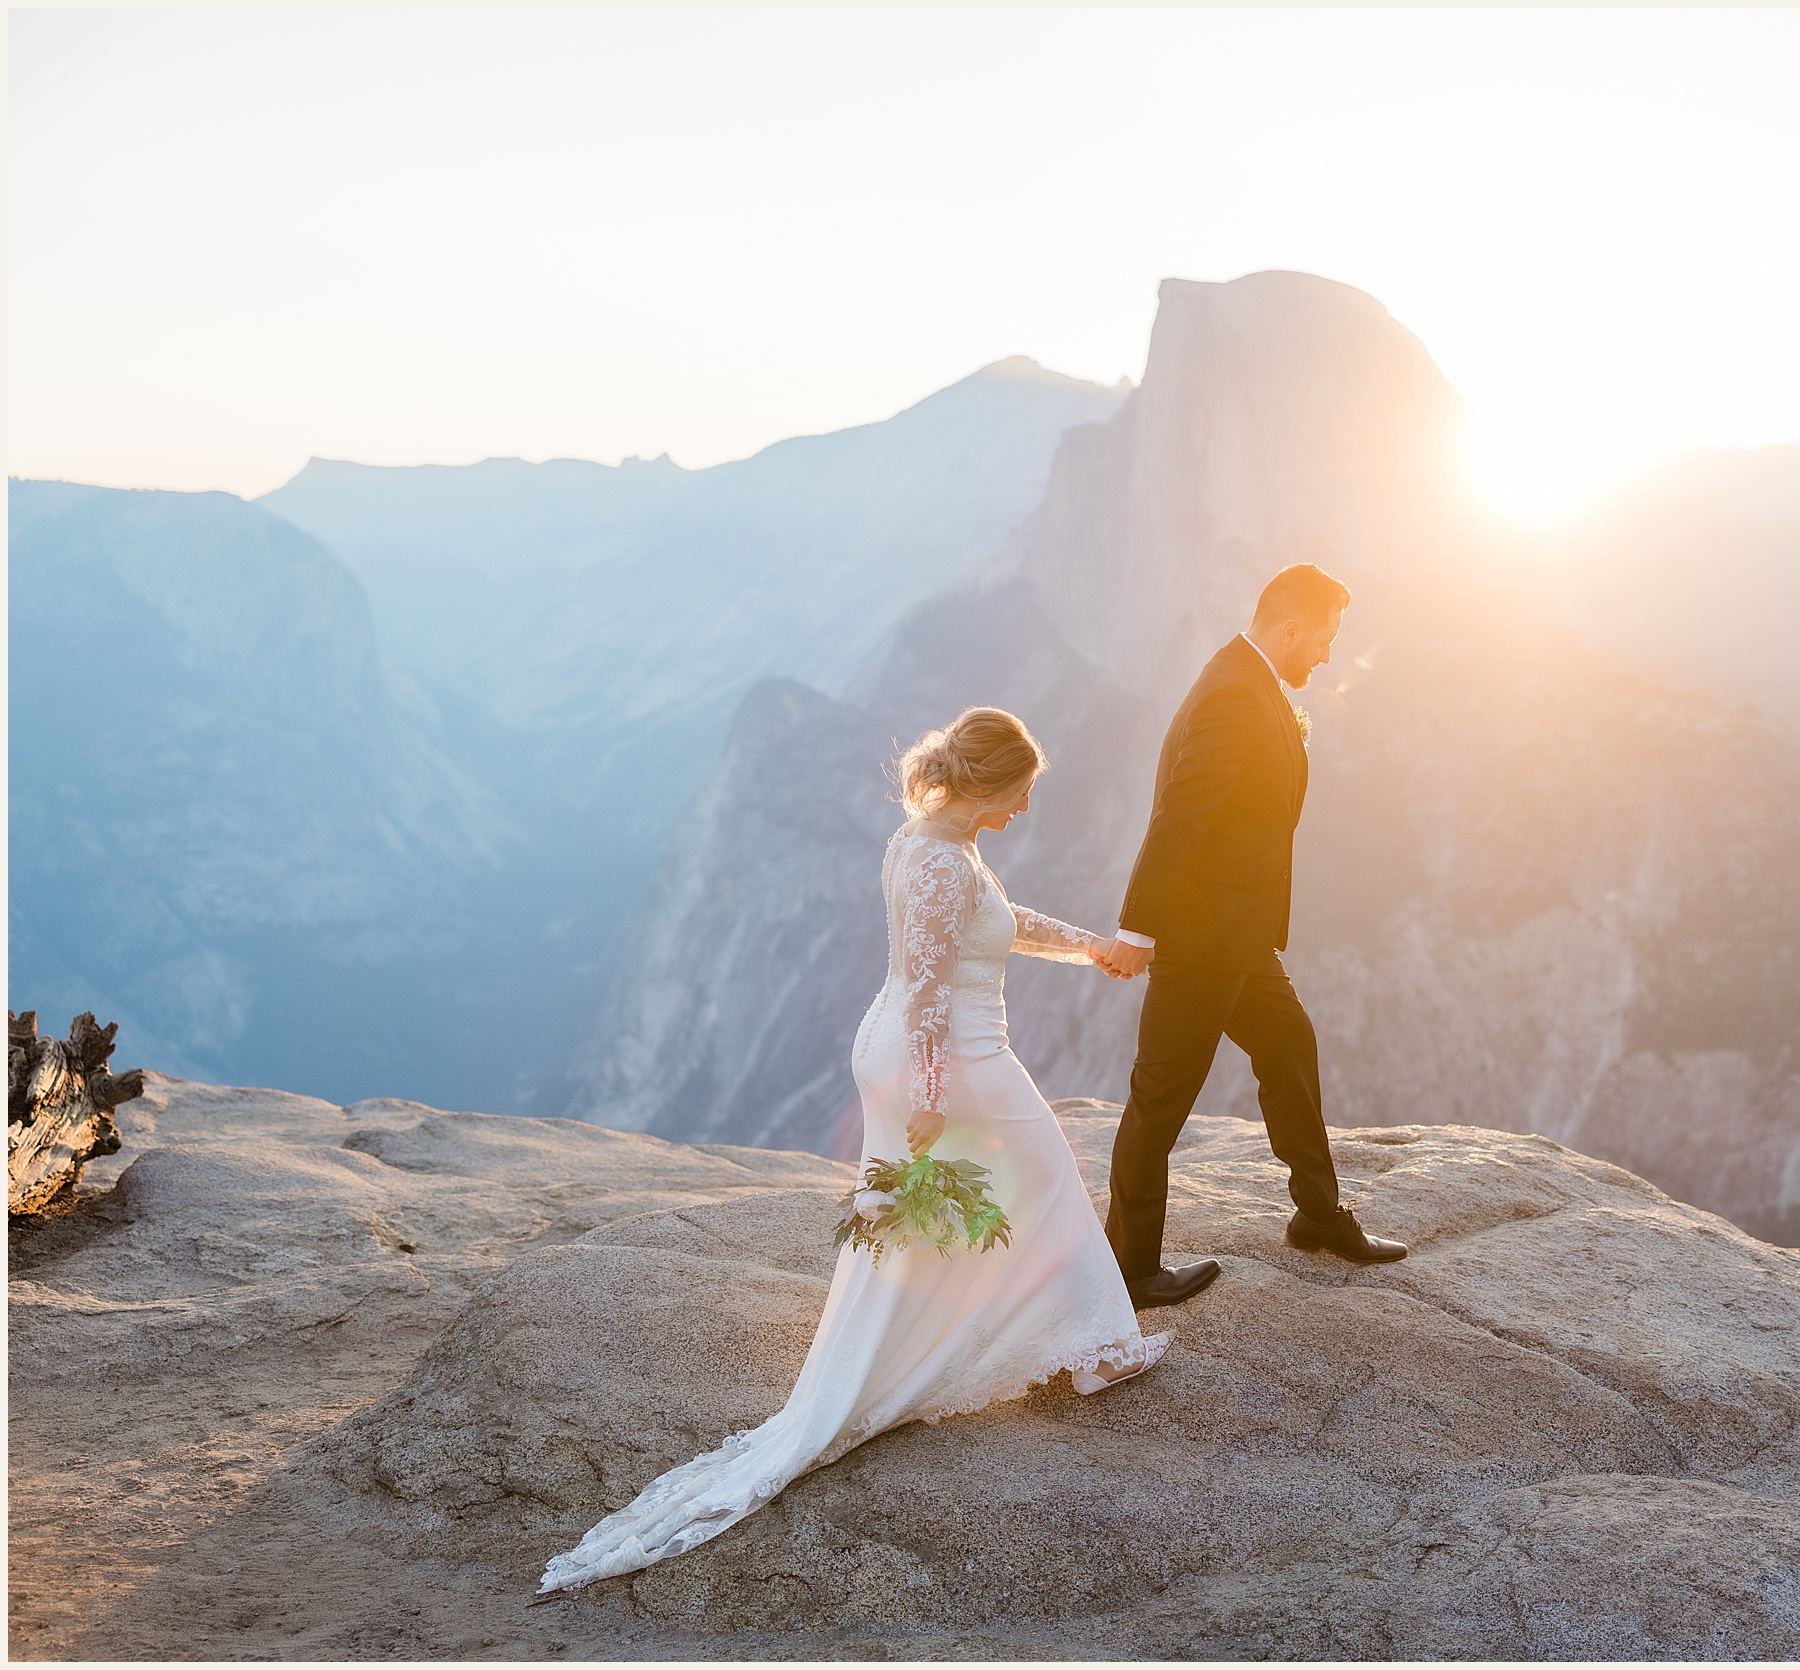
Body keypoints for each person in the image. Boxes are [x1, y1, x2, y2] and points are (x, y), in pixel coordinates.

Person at [539, 708, 1164, 1594]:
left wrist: (1086, 948)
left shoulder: (926, 841)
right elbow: (935, 990)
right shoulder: (943, 861)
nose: (1026, 809)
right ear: (987, 785)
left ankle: (963, 1346)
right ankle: (1092, 1348)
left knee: (941, 1223)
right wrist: (932, 1101)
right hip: (950, 1055)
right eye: (1021, 793)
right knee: (1049, 1179)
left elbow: (996, 922)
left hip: (910, 1047)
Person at [1096, 563, 1407, 1309]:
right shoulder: (1237, 694)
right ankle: (1129, 1267)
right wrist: (1138, 928)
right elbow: (1179, 816)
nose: (1328, 656)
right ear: (1290, 628)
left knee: (1290, 1047)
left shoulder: (1247, 679)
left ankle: (1319, 1216)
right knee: (1160, 1098)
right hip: (1203, 937)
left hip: (1238, 935)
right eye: (1324, 640)